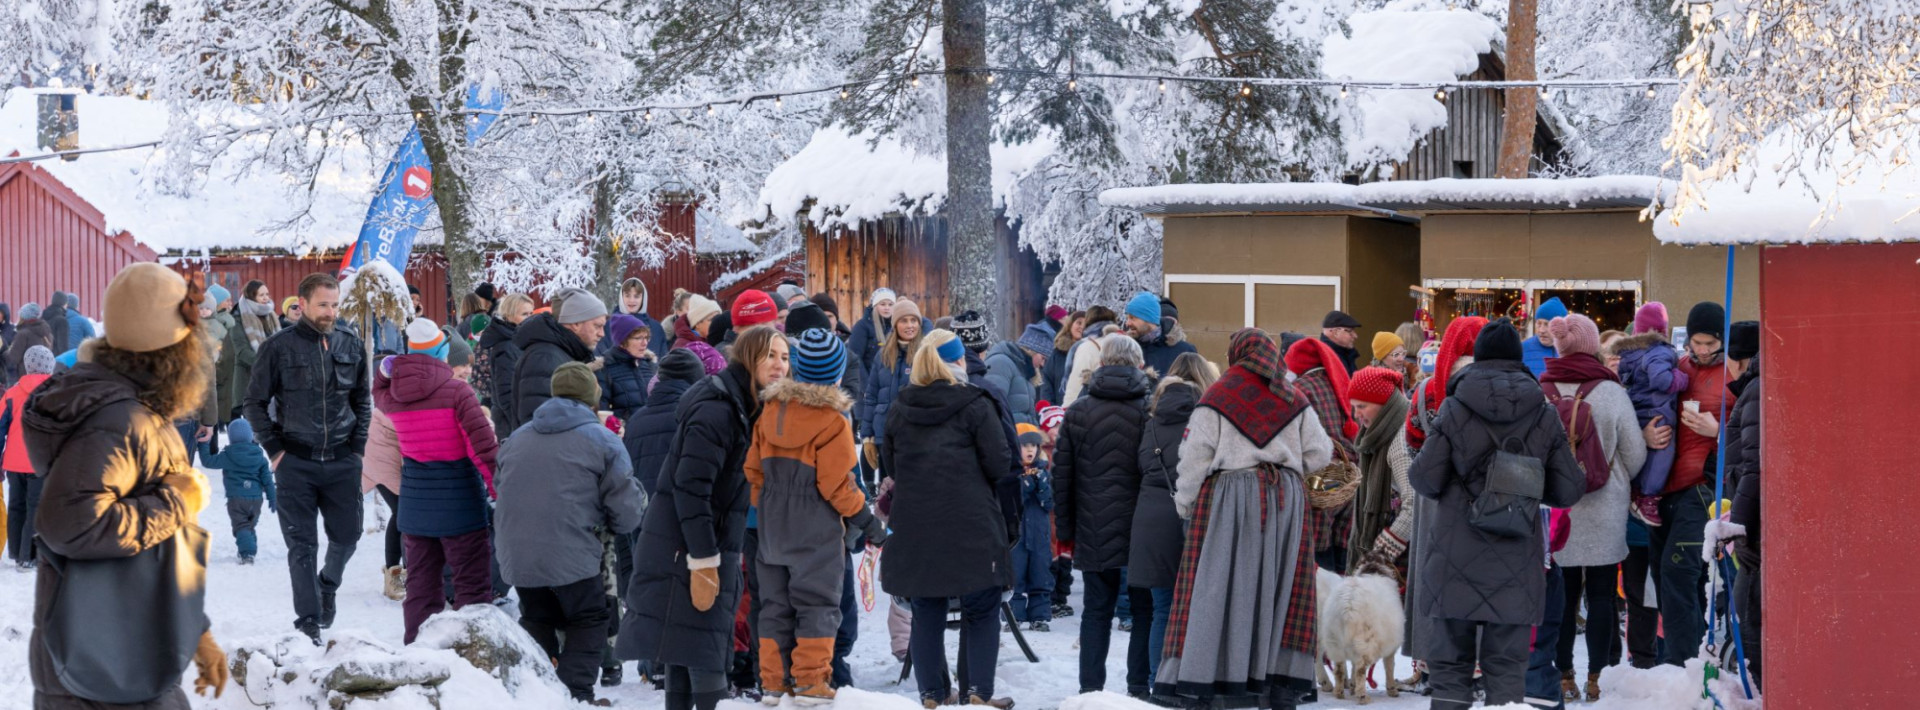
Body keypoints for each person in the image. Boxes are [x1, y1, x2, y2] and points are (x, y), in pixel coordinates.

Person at [25, 263, 228, 706]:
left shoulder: (135, 410)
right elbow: (74, 525)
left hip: (128, 655)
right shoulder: (117, 420)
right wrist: (178, 500)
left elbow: (161, 548)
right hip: (100, 669)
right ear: (170, 346)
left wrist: (198, 633)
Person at [1409, 318, 1586, 709]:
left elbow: (1424, 480)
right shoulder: (1544, 412)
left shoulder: (1453, 408)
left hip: (1453, 557)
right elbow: (1569, 489)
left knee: (1450, 669)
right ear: (1519, 358)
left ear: (1478, 359)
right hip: (1516, 559)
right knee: (1507, 669)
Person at [1157, 328, 1329, 710]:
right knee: (1280, 590)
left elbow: (1194, 459)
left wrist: (1185, 504)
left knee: (1218, 590)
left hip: (1230, 500)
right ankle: (1277, 685)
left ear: (1236, 355)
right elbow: (1320, 453)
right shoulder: (1293, 396)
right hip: (1286, 500)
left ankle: (1208, 680)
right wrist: (1288, 467)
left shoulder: (1216, 396)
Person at [623, 327, 788, 710]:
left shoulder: (743, 404)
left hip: (702, 543)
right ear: (748, 359)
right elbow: (691, 488)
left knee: (685, 649)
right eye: (770, 356)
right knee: (705, 652)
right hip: (687, 548)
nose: (780, 365)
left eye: (784, 357)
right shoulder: (719, 410)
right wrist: (704, 561)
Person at [745, 328, 884, 705]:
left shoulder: (769, 411)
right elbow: (838, 486)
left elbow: (753, 472)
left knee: (774, 607)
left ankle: (773, 683)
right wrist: (868, 522)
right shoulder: (833, 421)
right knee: (818, 605)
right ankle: (810, 682)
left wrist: (771, 505)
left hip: (772, 530)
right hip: (817, 530)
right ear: (837, 374)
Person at [878, 329, 1015, 709]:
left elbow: (891, 466)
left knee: (927, 610)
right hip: (971, 522)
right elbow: (999, 463)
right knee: (982, 607)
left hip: (915, 524)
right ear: (956, 362)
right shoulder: (976, 403)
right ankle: (979, 694)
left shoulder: (899, 408)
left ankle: (933, 696)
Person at [498, 362, 647, 706]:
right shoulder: (603, 440)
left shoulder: (518, 437)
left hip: (516, 551)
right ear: (592, 399)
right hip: (572, 550)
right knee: (590, 617)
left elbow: (502, 486)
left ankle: (541, 691)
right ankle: (574, 694)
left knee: (537, 615)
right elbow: (626, 510)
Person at [245, 272, 372, 643]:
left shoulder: (350, 343)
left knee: (348, 537)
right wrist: (274, 450)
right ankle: (308, 622)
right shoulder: (278, 347)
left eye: (335, 305)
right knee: (302, 546)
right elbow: (253, 403)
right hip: (295, 461)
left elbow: (362, 400)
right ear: (302, 305)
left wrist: (358, 449)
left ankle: (328, 584)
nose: (331, 312)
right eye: (323, 305)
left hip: (342, 459)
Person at [1538, 314, 1645, 702]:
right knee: (1601, 594)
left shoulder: (1542, 389)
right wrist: (1614, 475)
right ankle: (1598, 677)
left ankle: (1563, 675)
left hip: (1557, 509)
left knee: (1561, 595)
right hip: (1605, 505)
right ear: (1592, 346)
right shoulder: (1611, 392)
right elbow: (1635, 454)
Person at [375, 318, 500, 644]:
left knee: (421, 587)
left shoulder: (395, 397)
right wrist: (498, 491)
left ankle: (418, 650)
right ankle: (475, 651)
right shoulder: (458, 392)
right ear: (442, 353)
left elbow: (378, 391)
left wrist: (387, 371)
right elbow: (482, 449)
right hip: (460, 504)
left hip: (415, 508)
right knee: (472, 585)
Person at [1054, 334, 1155, 694]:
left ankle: (1090, 690)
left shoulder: (1079, 411)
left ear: (1101, 363)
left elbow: (1062, 474)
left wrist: (1065, 529)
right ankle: (1139, 687)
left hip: (1093, 525)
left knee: (1096, 611)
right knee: (1143, 610)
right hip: (1140, 526)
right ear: (1138, 364)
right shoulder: (1148, 409)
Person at [1645, 301, 1732, 667]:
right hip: (1666, 487)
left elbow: (1755, 431)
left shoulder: (1734, 374)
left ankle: (1684, 667)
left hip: (1704, 487)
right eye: (1696, 343)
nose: (1702, 350)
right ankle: (1695, 655)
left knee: (1677, 572)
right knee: (1667, 576)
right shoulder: (1677, 369)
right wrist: (1646, 433)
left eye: (1710, 343)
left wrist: (1719, 432)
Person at [1133, 352, 1214, 692]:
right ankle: (1193, 683)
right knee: (1198, 611)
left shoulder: (1150, 422)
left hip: (1150, 519)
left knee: (1161, 609)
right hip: (1193, 518)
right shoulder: (1207, 421)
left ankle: (1158, 684)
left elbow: (1140, 467)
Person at [1284, 337, 1361, 572]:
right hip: (1350, 473)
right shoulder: (1336, 384)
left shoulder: (1299, 390)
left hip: (1320, 480)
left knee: (1319, 557)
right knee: (1343, 555)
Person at [1615, 302, 1687, 527]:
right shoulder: (1660, 351)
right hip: (1659, 410)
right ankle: (1648, 496)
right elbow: (1662, 380)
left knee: (1643, 452)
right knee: (1663, 451)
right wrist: (1682, 378)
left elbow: (1625, 378)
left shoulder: (1629, 354)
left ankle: (1638, 490)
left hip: (1638, 409)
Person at [1721, 320, 1763, 687]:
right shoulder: (1757, 387)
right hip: (1754, 521)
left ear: (1738, 360)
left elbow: (1754, 467)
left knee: (1749, 616)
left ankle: (1761, 691)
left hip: (1755, 530)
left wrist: (1741, 528)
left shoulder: (1755, 390)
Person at [1347, 366, 1413, 572]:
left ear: (1384, 405)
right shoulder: (1384, 432)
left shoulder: (1400, 443)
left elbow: (1415, 505)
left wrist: (1380, 554)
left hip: (1404, 556)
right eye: (1354, 407)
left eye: (1362, 406)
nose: (1356, 414)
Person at [514, 290, 606, 428]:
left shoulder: (563, 352)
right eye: (597, 326)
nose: (602, 334)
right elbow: (538, 422)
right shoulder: (545, 357)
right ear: (575, 324)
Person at [0, 345, 55, 568]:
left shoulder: (12, 394)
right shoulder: (56, 393)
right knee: (35, 506)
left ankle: (15, 551)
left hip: (14, 462)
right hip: (40, 460)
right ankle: (28, 556)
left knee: (16, 505)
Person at [856, 299, 924, 477]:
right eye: (904, 320)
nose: (910, 325)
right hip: (884, 434)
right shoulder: (883, 355)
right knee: (887, 491)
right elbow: (871, 396)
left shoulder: (926, 353)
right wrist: (868, 436)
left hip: (916, 436)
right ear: (895, 324)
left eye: (913, 320)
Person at [198, 417, 277, 565]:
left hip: (236, 499)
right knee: (249, 526)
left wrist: (204, 444)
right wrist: (273, 498)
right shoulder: (259, 456)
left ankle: (247, 553)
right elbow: (267, 480)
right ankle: (248, 548)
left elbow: (208, 461)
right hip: (256, 499)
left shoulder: (228, 455)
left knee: (241, 527)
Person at [1405, 317, 1488, 454]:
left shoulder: (1426, 389)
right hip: (1491, 472)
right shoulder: (1500, 386)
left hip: (1438, 470)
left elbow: (1413, 444)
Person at [1011, 424, 1056, 631]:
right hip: (1018, 535)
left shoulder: (1044, 472)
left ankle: (1040, 615)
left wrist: (1041, 483)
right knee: (1016, 576)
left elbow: (1048, 503)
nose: (1030, 450)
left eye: (1034, 445)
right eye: (1025, 445)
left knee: (1041, 575)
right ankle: (1014, 616)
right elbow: (1016, 499)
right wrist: (1026, 481)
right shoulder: (1012, 474)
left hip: (1039, 534)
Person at [481, 292, 534, 438]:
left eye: (531, 313)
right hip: (511, 425)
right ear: (509, 316)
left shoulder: (520, 340)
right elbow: (505, 392)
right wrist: (521, 424)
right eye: (524, 314)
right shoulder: (507, 346)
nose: (529, 318)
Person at [983, 322, 1053, 428]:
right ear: (1032, 350)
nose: (1042, 364)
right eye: (1043, 358)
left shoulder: (1025, 371)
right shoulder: (1001, 363)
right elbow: (991, 407)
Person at [599, 314, 658, 421]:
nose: (644, 343)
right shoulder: (605, 368)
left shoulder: (649, 365)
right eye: (639, 338)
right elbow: (603, 412)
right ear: (622, 341)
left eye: (646, 337)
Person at [1125, 293, 1198, 378]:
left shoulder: (1184, 351)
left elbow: (1195, 387)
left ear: (1149, 318)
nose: (1127, 323)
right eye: (1127, 318)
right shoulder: (1126, 350)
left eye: (1133, 318)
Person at [1062, 307, 1122, 406]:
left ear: (1088, 322)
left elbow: (1076, 384)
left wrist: (1067, 409)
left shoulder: (1088, 347)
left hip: (1097, 408)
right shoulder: (1125, 343)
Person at [599, 278, 671, 359]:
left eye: (636, 296)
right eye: (627, 295)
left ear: (643, 298)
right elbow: (601, 358)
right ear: (621, 297)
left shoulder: (656, 328)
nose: (632, 300)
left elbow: (664, 360)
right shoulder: (609, 326)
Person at [847, 287, 898, 370]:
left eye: (890, 304)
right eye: (883, 304)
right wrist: (866, 382)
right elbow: (855, 358)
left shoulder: (896, 326)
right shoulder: (862, 326)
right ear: (875, 306)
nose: (887, 308)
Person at [1044, 310, 1086, 403]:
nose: (1082, 327)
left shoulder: (1091, 353)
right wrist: (1050, 409)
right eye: (1079, 322)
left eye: (1086, 325)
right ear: (1070, 325)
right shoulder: (1057, 353)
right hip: (1060, 411)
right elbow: (1047, 382)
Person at [5, 303, 51, 383]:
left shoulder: (23, 334)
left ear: (23, 317)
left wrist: (5, 352)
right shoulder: (46, 332)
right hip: (43, 376)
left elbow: (14, 358)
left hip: (24, 376)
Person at [1522, 297, 1568, 377]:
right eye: (1539, 324)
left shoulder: (1571, 350)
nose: (1542, 330)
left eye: (1547, 324)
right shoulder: (1522, 349)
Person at [1319, 310, 1363, 375]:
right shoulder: (1322, 358)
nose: (1355, 336)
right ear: (1336, 332)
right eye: (1350, 331)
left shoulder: (1346, 354)